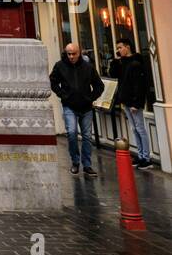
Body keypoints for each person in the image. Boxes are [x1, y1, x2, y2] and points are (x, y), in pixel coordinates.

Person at [49, 42, 104, 177]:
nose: (71, 56)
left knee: (86, 136)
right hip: (69, 106)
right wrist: (63, 95)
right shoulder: (60, 66)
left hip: (86, 107)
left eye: (74, 54)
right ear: (65, 53)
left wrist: (90, 97)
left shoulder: (88, 67)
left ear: (79, 53)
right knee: (72, 133)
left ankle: (87, 165)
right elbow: (53, 81)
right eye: (69, 54)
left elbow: (99, 85)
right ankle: (75, 161)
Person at [110, 37, 152, 169]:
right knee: (134, 129)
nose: (118, 50)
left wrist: (137, 103)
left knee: (140, 128)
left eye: (120, 47)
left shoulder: (136, 63)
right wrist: (115, 62)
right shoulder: (123, 63)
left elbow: (140, 85)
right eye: (117, 48)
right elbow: (113, 75)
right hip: (126, 101)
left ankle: (147, 158)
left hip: (134, 102)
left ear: (128, 47)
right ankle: (140, 155)